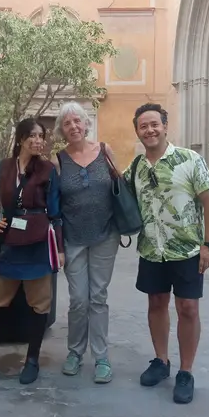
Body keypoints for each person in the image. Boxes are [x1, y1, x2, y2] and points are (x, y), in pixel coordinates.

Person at [123, 103, 209, 404]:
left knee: (188, 308)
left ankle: (186, 372)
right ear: (137, 131)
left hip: (187, 249)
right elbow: (115, 194)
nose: (149, 130)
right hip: (152, 249)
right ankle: (161, 361)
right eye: (143, 126)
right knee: (156, 303)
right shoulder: (135, 169)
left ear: (165, 126)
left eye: (154, 124)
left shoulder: (189, 160)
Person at [0, 117, 65, 385]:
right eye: (32, 136)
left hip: (38, 246)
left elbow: (56, 213)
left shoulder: (48, 170)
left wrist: (59, 248)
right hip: (10, 245)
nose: (38, 141)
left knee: (40, 305)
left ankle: (32, 360)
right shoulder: (4, 168)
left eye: (41, 136)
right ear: (21, 139)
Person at [53, 101, 120, 384]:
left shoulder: (105, 151)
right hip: (74, 239)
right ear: (62, 129)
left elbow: (120, 186)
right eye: (67, 123)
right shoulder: (58, 161)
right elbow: (54, 204)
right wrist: (58, 246)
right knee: (79, 299)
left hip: (106, 235)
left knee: (98, 297)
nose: (73, 126)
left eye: (77, 121)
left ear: (86, 123)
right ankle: (75, 352)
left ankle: (101, 357)